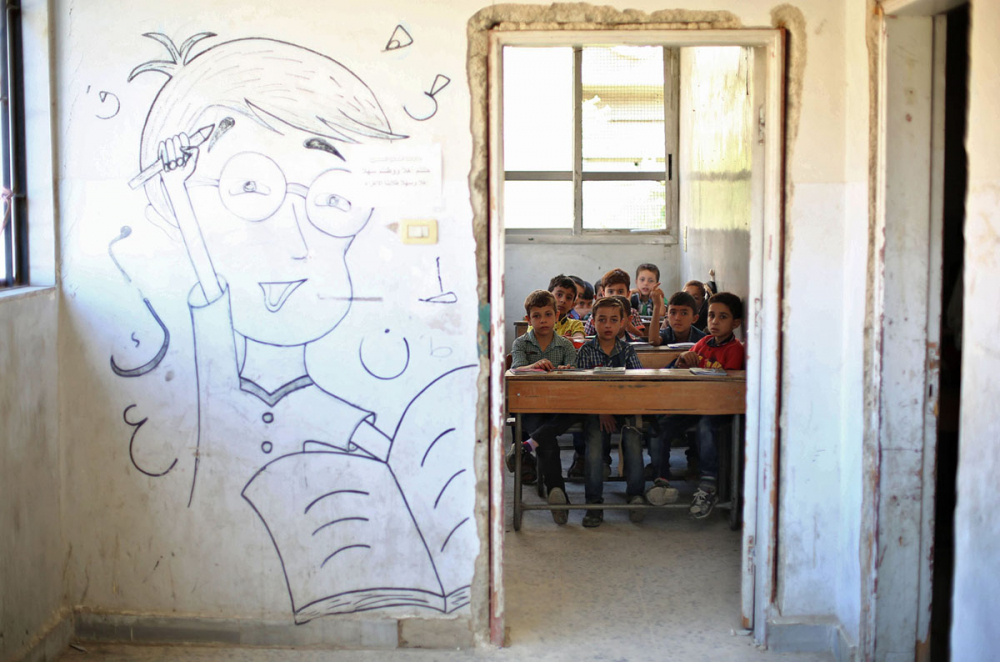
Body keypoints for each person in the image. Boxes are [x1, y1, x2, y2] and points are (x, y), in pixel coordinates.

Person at [646, 293, 745, 519]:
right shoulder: (702, 343)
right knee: (659, 427)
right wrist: (683, 359)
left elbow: (727, 386)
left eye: (722, 317)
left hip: (718, 409)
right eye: (711, 315)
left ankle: (708, 486)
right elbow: (680, 368)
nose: (715, 321)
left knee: (705, 428)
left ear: (736, 323)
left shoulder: (734, 349)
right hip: (693, 405)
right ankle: (661, 481)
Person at [506, 290, 579, 522]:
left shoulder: (565, 345)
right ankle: (557, 491)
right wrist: (534, 366)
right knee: (548, 439)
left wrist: (568, 371)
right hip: (531, 405)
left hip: (560, 405)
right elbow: (516, 370)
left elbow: (575, 374)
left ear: (556, 316)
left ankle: (526, 446)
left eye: (548, 314)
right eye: (536, 316)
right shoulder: (521, 343)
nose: (543, 320)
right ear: (528, 320)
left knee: (576, 411)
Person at [575, 297, 646, 528]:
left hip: (625, 409)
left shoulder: (627, 350)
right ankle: (594, 504)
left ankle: (636, 496)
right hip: (595, 411)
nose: (607, 325)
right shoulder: (586, 351)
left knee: (633, 441)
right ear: (593, 322)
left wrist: (617, 408)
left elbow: (637, 385)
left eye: (614, 320)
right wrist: (602, 411)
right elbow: (582, 389)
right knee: (595, 447)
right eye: (602, 320)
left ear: (622, 322)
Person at [585, 269, 644, 338]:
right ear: (603, 294)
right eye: (610, 292)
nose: (615, 295)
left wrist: (628, 324)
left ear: (628, 294)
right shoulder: (596, 314)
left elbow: (641, 337)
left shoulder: (632, 313)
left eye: (620, 291)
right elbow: (586, 337)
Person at [531, 274, 585, 340]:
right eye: (559, 295)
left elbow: (579, 339)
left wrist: (569, 340)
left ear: (572, 305)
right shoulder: (537, 321)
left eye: (568, 297)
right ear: (548, 297)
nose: (563, 300)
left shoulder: (575, 325)